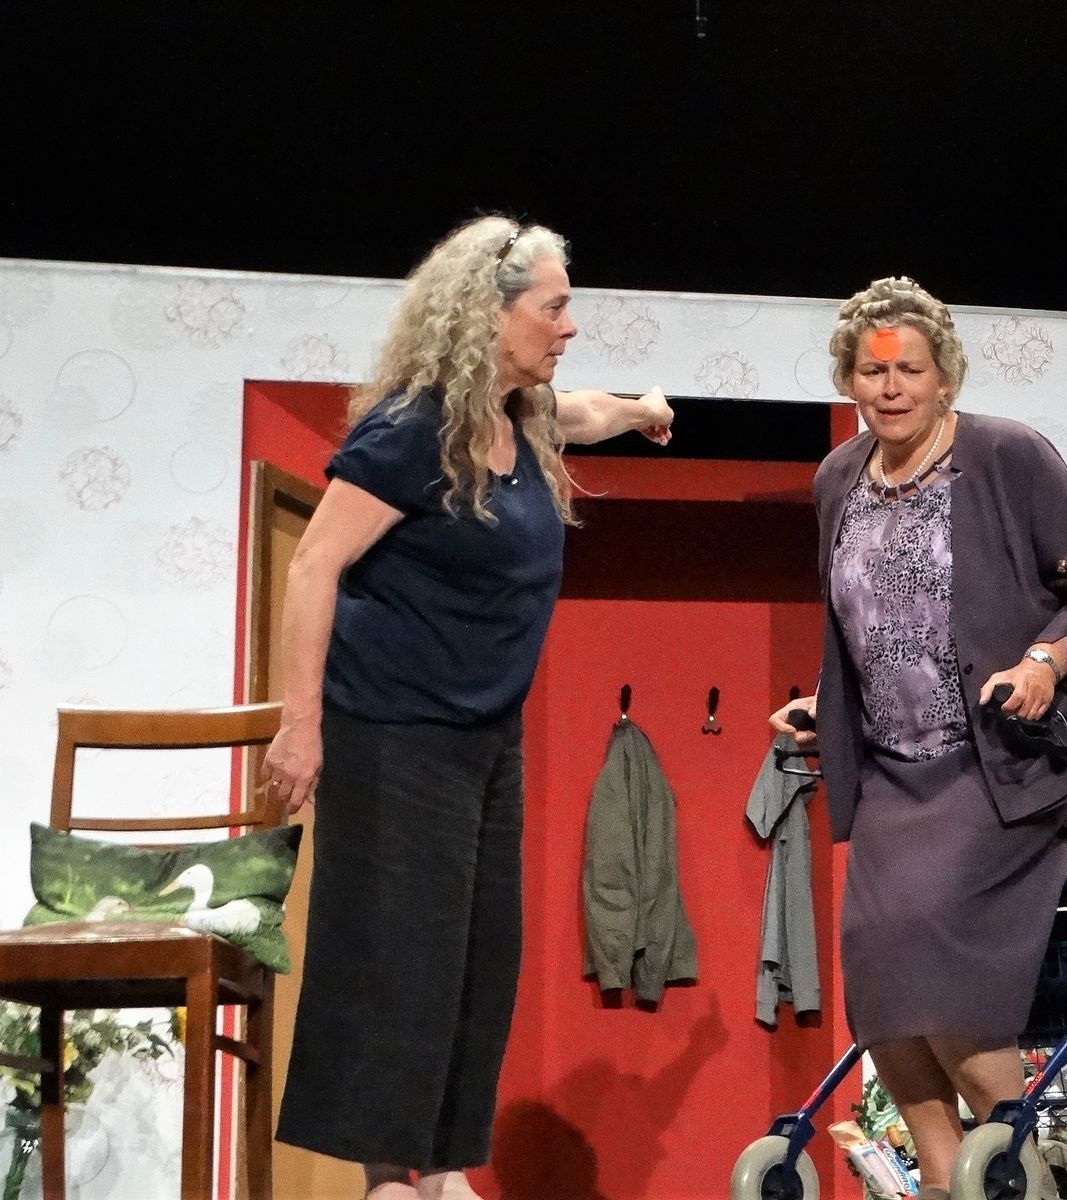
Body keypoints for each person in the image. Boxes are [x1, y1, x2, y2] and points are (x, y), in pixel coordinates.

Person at [264, 213, 673, 1200]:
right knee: (396, 955)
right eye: (553, 307)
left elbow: (582, 413)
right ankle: (386, 1178)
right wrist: (299, 724)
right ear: (487, 316)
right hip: (390, 733)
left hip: (484, 740)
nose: (569, 325)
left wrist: (641, 409)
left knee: (479, 958)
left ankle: (444, 1170)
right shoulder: (412, 431)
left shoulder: (523, 418)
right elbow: (313, 567)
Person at [768, 277, 1067, 1199]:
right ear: (848, 378)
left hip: (995, 763)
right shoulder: (837, 478)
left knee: (940, 960)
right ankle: (941, 1176)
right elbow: (866, 619)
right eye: (871, 370)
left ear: (943, 376)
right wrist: (823, 705)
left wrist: (1045, 661)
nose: (890, 388)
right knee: (879, 978)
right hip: (892, 771)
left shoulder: (1007, 456)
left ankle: (1011, 1164)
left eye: (910, 370)